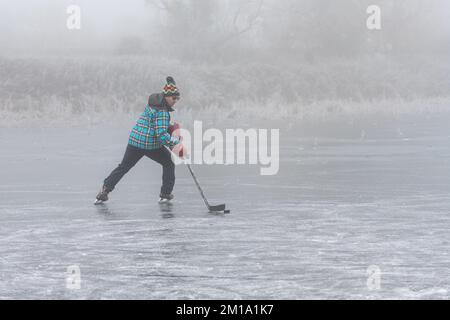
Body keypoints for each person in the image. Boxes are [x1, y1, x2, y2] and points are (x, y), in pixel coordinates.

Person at [95, 76, 182, 203]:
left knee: (123, 167)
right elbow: (162, 136)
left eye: (177, 98)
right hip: (150, 145)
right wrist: (177, 142)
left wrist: (168, 126)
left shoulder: (153, 103)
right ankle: (165, 193)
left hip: (135, 141)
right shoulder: (163, 112)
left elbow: (153, 124)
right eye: (174, 98)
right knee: (169, 163)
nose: (176, 101)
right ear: (167, 97)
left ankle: (104, 190)